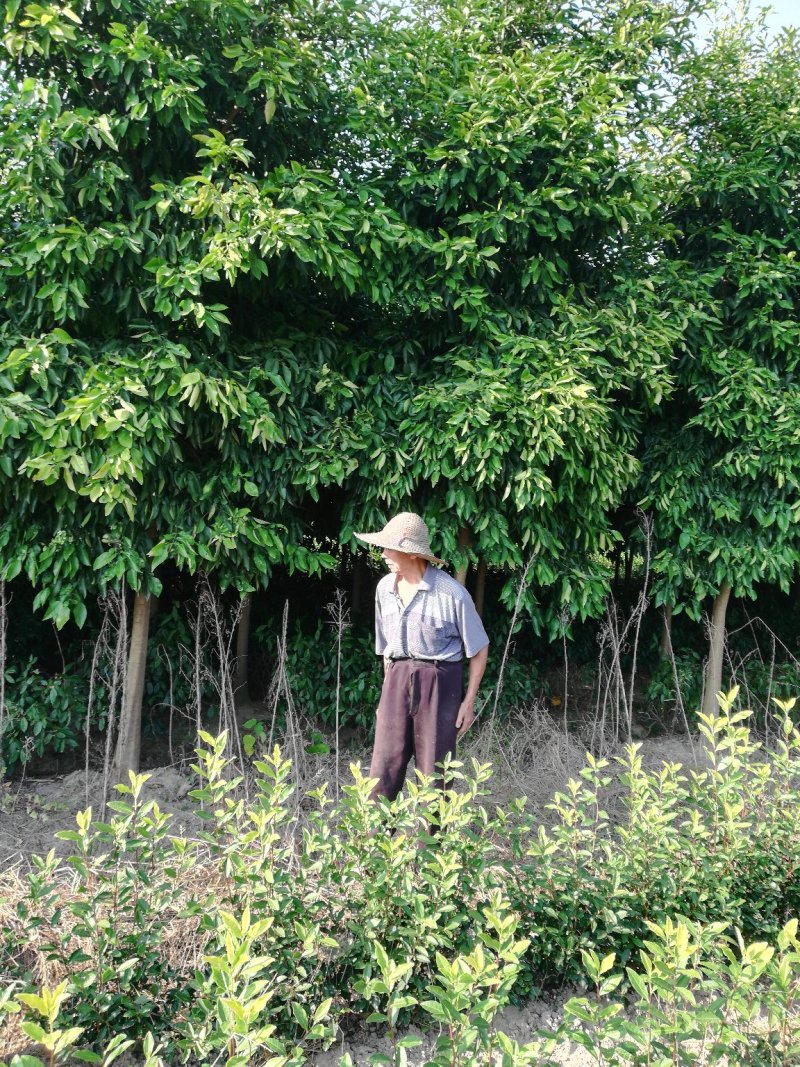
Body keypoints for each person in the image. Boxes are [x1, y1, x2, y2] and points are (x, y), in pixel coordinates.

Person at [355, 512, 489, 800]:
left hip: (440, 684)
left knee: (435, 774)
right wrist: (385, 697)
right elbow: (387, 651)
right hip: (396, 681)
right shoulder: (384, 589)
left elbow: (478, 649)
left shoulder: (452, 594)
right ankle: (375, 841)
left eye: (389, 548)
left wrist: (468, 703)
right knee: (383, 771)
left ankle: (430, 844)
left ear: (412, 554)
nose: (383, 555)